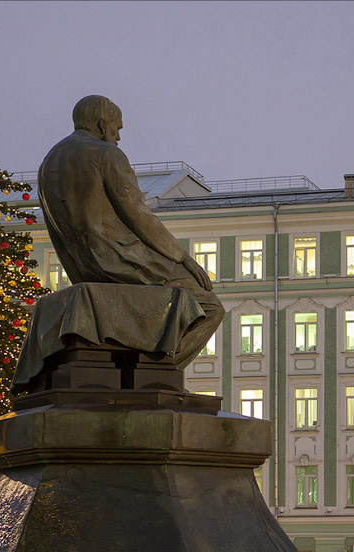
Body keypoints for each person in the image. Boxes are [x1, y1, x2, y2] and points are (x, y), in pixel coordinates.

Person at [37, 95, 225, 368]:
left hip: (82, 268)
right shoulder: (107, 154)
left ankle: (137, 365)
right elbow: (137, 214)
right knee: (210, 308)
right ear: (103, 125)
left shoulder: (48, 163)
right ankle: (157, 371)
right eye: (117, 129)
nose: (118, 137)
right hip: (120, 259)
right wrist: (183, 258)